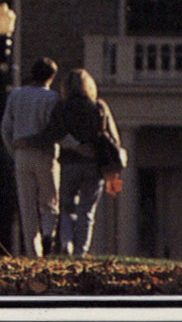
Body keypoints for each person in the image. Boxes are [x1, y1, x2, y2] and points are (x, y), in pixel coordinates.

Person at [41, 68, 125, 256]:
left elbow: (53, 133)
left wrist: (75, 145)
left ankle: (66, 241)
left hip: (68, 163)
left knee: (66, 206)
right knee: (87, 210)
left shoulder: (62, 108)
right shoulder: (98, 107)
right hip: (94, 165)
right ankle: (81, 251)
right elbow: (113, 137)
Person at [0, 56, 60, 257]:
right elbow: (55, 130)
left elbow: (6, 128)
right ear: (51, 77)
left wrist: (14, 151)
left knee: (27, 205)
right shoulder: (52, 98)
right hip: (45, 153)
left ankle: (33, 251)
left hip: (22, 153)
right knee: (49, 200)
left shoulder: (16, 95)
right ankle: (49, 234)